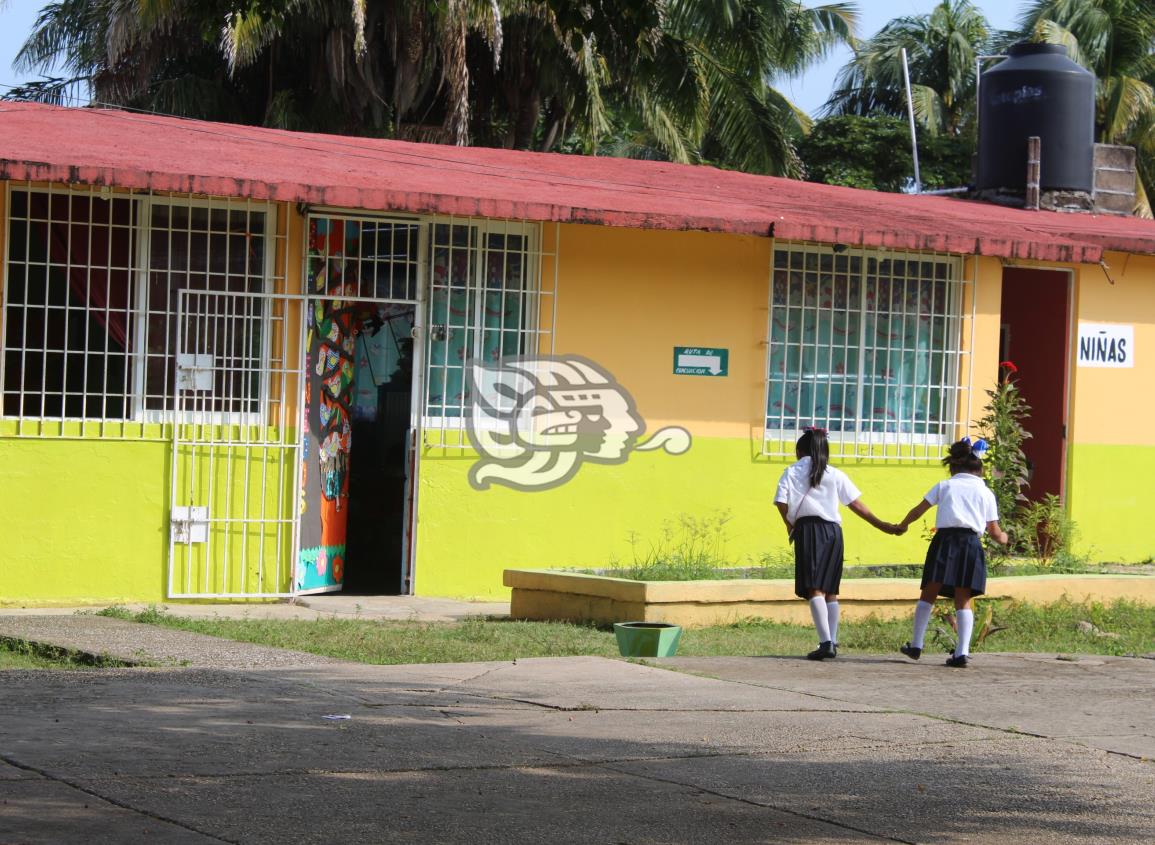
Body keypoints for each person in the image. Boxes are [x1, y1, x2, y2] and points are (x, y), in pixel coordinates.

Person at [775, 426, 900, 661]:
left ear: (800, 451)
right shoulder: (834, 474)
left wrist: (789, 523)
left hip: (809, 530)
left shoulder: (791, 472)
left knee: (814, 587)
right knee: (830, 589)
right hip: (833, 532)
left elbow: (781, 502)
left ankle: (825, 643)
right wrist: (881, 524)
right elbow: (856, 505)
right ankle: (832, 639)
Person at [894, 437, 1010, 668]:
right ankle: (961, 653)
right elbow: (994, 531)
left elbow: (919, 510)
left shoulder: (945, 486)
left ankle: (916, 645)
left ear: (954, 466)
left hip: (945, 542)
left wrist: (903, 525)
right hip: (970, 544)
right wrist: (1005, 539)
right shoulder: (986, 492)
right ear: (980, 468)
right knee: (963, 598)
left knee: (929, 592)